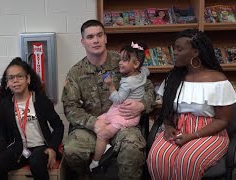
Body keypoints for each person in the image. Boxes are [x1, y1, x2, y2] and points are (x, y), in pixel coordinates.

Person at [61, 19, 155, 180]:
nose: (96, 40)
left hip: (124, 124)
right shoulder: (75, 72)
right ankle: (87, 176)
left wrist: (141, 105)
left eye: (99, 35)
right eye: (90, 37)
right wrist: (94, 123)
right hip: (92, 128)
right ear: (82, 41)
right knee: (72, 149)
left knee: (133, 146)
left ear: (105, 38)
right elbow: (70, 107)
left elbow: (149, 89)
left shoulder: (123, 61)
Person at [147, 29, 236, 180]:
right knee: (158, 158)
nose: (174, 52)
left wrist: (191, 136)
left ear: (195, 52)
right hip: (177, 128)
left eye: (179, 49)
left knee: (187, 161)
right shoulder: (173, 78)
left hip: (209, 132)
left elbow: (223, 120)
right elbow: (167, 110)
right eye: (174, 48)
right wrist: (168, 126)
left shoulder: (217, 80)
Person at [0, 57, 64, 180]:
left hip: (41, 147)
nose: (15, 81)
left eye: (20, 76)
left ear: (28, 79)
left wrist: (52, 148)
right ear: (7, 83)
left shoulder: (41, 100)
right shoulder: (5, 104)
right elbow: (3, 134)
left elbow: (58, 126)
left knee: (36, 163)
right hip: (19, 147)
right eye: (11, 78)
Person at [89, 42, 149, 171]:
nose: (120, 62)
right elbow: (146, 71)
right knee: (98, 121)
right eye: (120, 59)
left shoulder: (128, 81)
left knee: (103, 134)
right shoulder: (141, 73)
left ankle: (96, 163)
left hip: (123, 115)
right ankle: (107, 147)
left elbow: (118, 100)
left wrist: (110, 85)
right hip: (117, 111)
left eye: (125, 60)